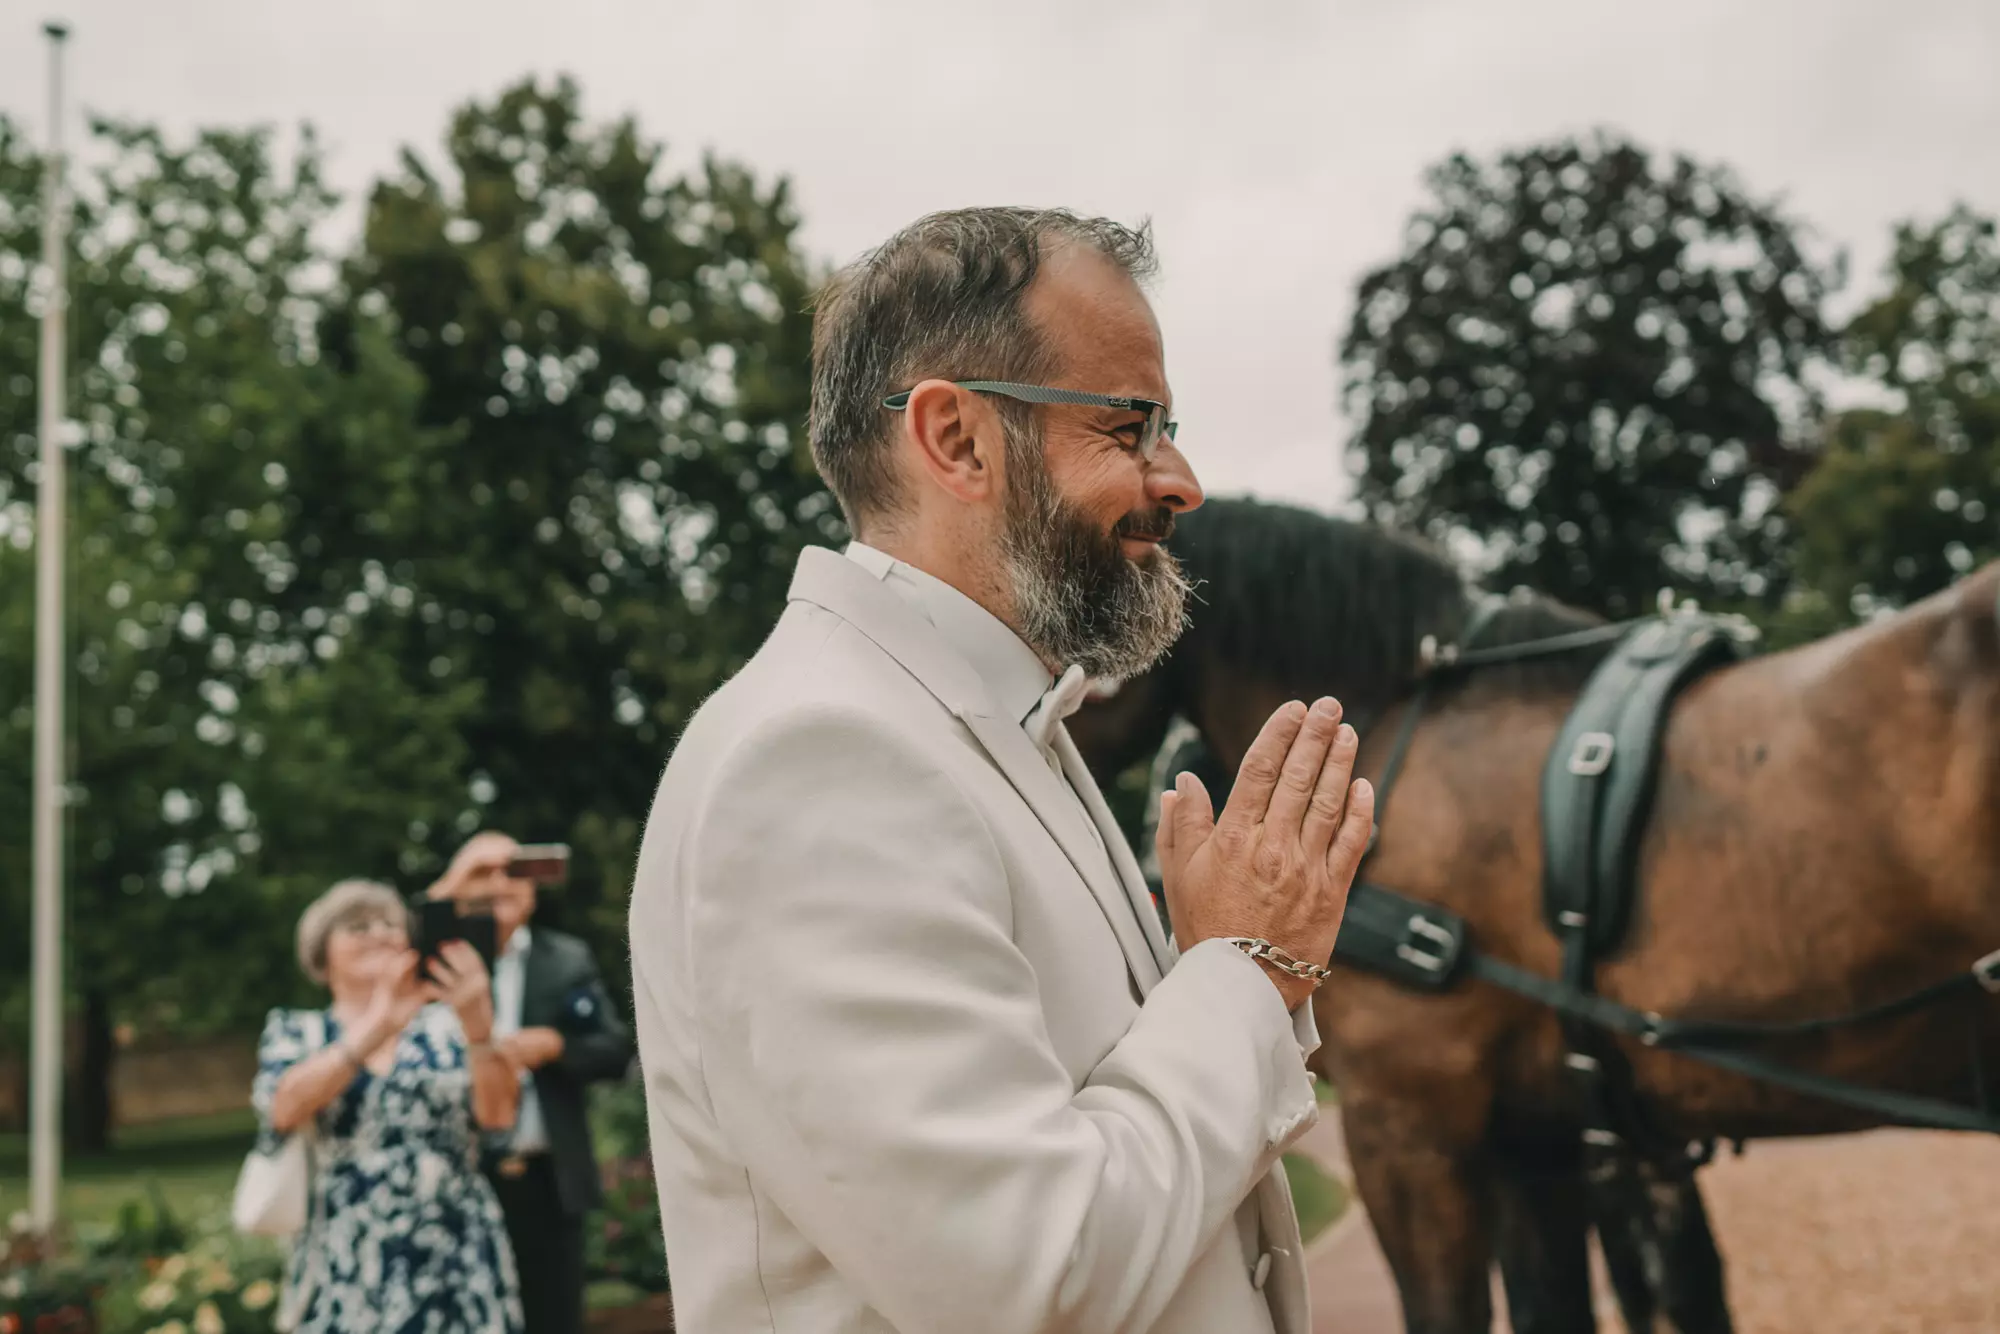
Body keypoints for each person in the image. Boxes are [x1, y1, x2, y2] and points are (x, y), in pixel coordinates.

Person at [629, 207, 1374, 1333]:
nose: (1179, 480)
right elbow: (1030, 1277)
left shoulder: (974, 717)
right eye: (1127, 427)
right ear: (958, 440)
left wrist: (1205, 974)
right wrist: (1241, 973)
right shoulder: (823, 758)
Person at [254, 879, 524, 1334]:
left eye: (390, 924)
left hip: (454, 1243)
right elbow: (283, 1109)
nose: (378, 933)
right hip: (347, 1250)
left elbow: (498, 1116)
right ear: (322, 952)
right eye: (358, 926)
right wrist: (380, 1023)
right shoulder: (298, 1032)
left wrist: (479, 1027)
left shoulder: (446, 1025)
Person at [426, 833, 635, 1334]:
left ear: (535, 890)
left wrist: (557, 1045)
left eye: (515, 871)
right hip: (458, 1178)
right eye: (484, 872)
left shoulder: (566, 958)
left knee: (553, 1319)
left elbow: (615, 1049)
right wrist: (452, 881)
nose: (500, 882)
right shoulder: (435, 960)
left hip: (546, 1178)